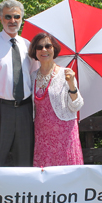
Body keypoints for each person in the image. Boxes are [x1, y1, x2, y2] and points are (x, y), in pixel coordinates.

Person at [0, 0, 38, 166]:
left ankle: (23, 192)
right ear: (0, 18)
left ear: (22, 19)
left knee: (25, 162)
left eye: (16, 16)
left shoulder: (28, 46)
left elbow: (35, 78)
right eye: (8, 17)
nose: (12, 21)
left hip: (25, 110)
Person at [28, 32, 84, 167]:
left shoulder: (65, 74)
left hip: (64, 134)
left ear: (54, 49)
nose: (44, 50)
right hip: (42, 135)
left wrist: (71, 85)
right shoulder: (31, 76)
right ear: (35, 52)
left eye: (48, 46)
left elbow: (76, 106)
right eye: (39, 47)